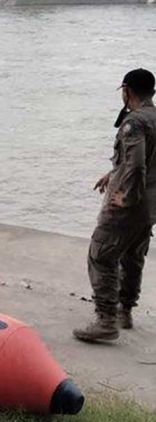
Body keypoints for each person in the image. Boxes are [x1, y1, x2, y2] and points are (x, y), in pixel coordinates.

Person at [74, 68, 156, 342]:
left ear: (126, 91)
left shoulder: (134, 123)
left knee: (101, 254)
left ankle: (106, 319)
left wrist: (125, 195)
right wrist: (112, 174)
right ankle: (125, 311)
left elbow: (137, 163)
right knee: (133, 256)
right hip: (150, 206)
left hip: (130, 204)